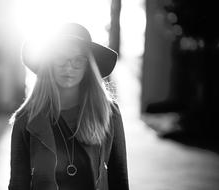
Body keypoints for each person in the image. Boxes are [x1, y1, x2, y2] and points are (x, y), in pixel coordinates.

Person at [8, 23, 129, 190]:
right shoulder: (26, 118)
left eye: (78, 60)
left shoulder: (108, 113)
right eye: (60, 58)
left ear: (88, 66)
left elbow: (119, 179)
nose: (68, 67)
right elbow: (17, 183)